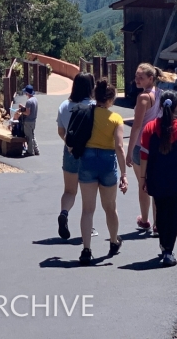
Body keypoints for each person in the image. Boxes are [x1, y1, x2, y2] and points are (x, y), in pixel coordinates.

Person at [139, 90, 177, 267]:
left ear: (160, 105)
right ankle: (169, 250)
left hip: (157, 176)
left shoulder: (150, 127)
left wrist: (143, 177)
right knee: (174, 213)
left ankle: (164, 246)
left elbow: (144, 155)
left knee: (161, 211)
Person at [77, 79, 128, 265]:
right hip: (107, 162)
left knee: (87, 209)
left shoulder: (86, 113)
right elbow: (119, 147)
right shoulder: (116, 119)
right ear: (111, 99)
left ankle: (86, 249)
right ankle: (114, 241)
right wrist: (124, 174)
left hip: (87, 160)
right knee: (110, 207)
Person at [56, 72, 95, 240]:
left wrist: (70, 145)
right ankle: (89, 227)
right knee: (89, 193)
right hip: (90, 152)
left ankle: (64, 213)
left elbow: (61, 131)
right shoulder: (94, 106)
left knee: (70, 190)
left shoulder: (64, 105)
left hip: (70, 151)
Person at [126, 62, 164, 233]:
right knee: (156, 184)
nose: (137, 80)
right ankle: (158, 224)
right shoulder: (160, 94)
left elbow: (136, 126)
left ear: (150, 78)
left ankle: (145, 219)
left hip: (142, 145)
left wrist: (128, 151)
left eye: (140, 77)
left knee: (143, 184)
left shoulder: (143, 98)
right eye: (136, 76)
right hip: (156, 144)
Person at [18, 84, 39, 157]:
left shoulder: (29, 102)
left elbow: (27, 112)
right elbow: (29, 109)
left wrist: (21, 111)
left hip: (28, 121)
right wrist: (23, 107)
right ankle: (36, 150)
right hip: (33, 121)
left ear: (27, 93)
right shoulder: (35, 100)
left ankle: (30, 151)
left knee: (29, 137)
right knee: (32, 135)